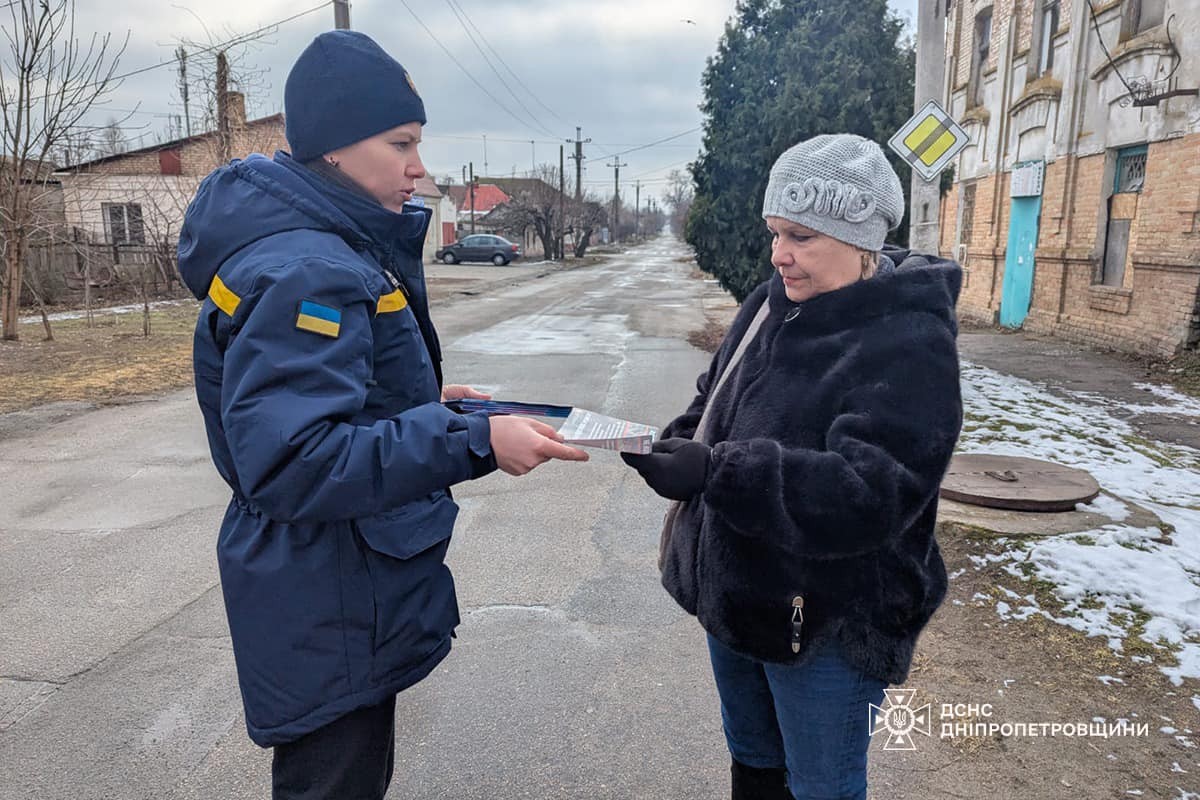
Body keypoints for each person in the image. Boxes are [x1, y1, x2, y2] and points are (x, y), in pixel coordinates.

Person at [177, 30, 588, 800]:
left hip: (337, 590)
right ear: (335, 147)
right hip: (327, 599)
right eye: (400, 142)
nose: (419, 167)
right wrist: (471, 441)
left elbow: (324, 408)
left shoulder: (324, 247)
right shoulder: (310, 268)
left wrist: (423, 405)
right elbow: (295, 459)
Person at [622, 134, 962, 800]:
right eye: (776, 232)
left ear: (859, 239)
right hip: (738, 601)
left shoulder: (907, 340)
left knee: (821, 787)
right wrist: (680, 443)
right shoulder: (767, 302)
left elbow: (871, 493)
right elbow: (711, 399)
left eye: (801, 236)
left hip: (827, 627)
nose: (779, 253)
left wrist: (716, 473)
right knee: (753, 764)